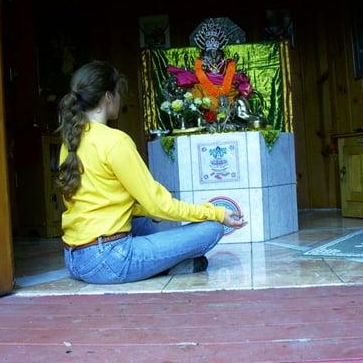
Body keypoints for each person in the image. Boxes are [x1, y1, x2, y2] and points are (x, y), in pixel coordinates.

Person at [57, 61, 247, 284]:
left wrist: (145, 207)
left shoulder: (70, 141)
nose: (120, 99)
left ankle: (168, 264)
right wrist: (216, 213)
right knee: (212, 229)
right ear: (108, 96)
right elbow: (161, 205)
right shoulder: (115, 141)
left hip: (76, 259)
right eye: (118, 93)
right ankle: (168, 265)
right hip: (108, 260)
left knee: (146, 220)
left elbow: (98, 198)